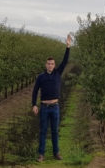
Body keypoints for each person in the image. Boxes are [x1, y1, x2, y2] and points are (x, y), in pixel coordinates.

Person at [31, 33, 71, 162]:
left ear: (54, 65)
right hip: (44, 107)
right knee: (43, 131)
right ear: (45, 65)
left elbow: (65, 61)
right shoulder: (41, 77)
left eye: (52, 64)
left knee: (54, 131)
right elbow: (35, 91)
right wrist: (34, 104)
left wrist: (68, 47)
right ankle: (41, 154)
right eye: (48, 63)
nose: (50, 65)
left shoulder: (57, 73)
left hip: (55, 107)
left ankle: (56, 153)